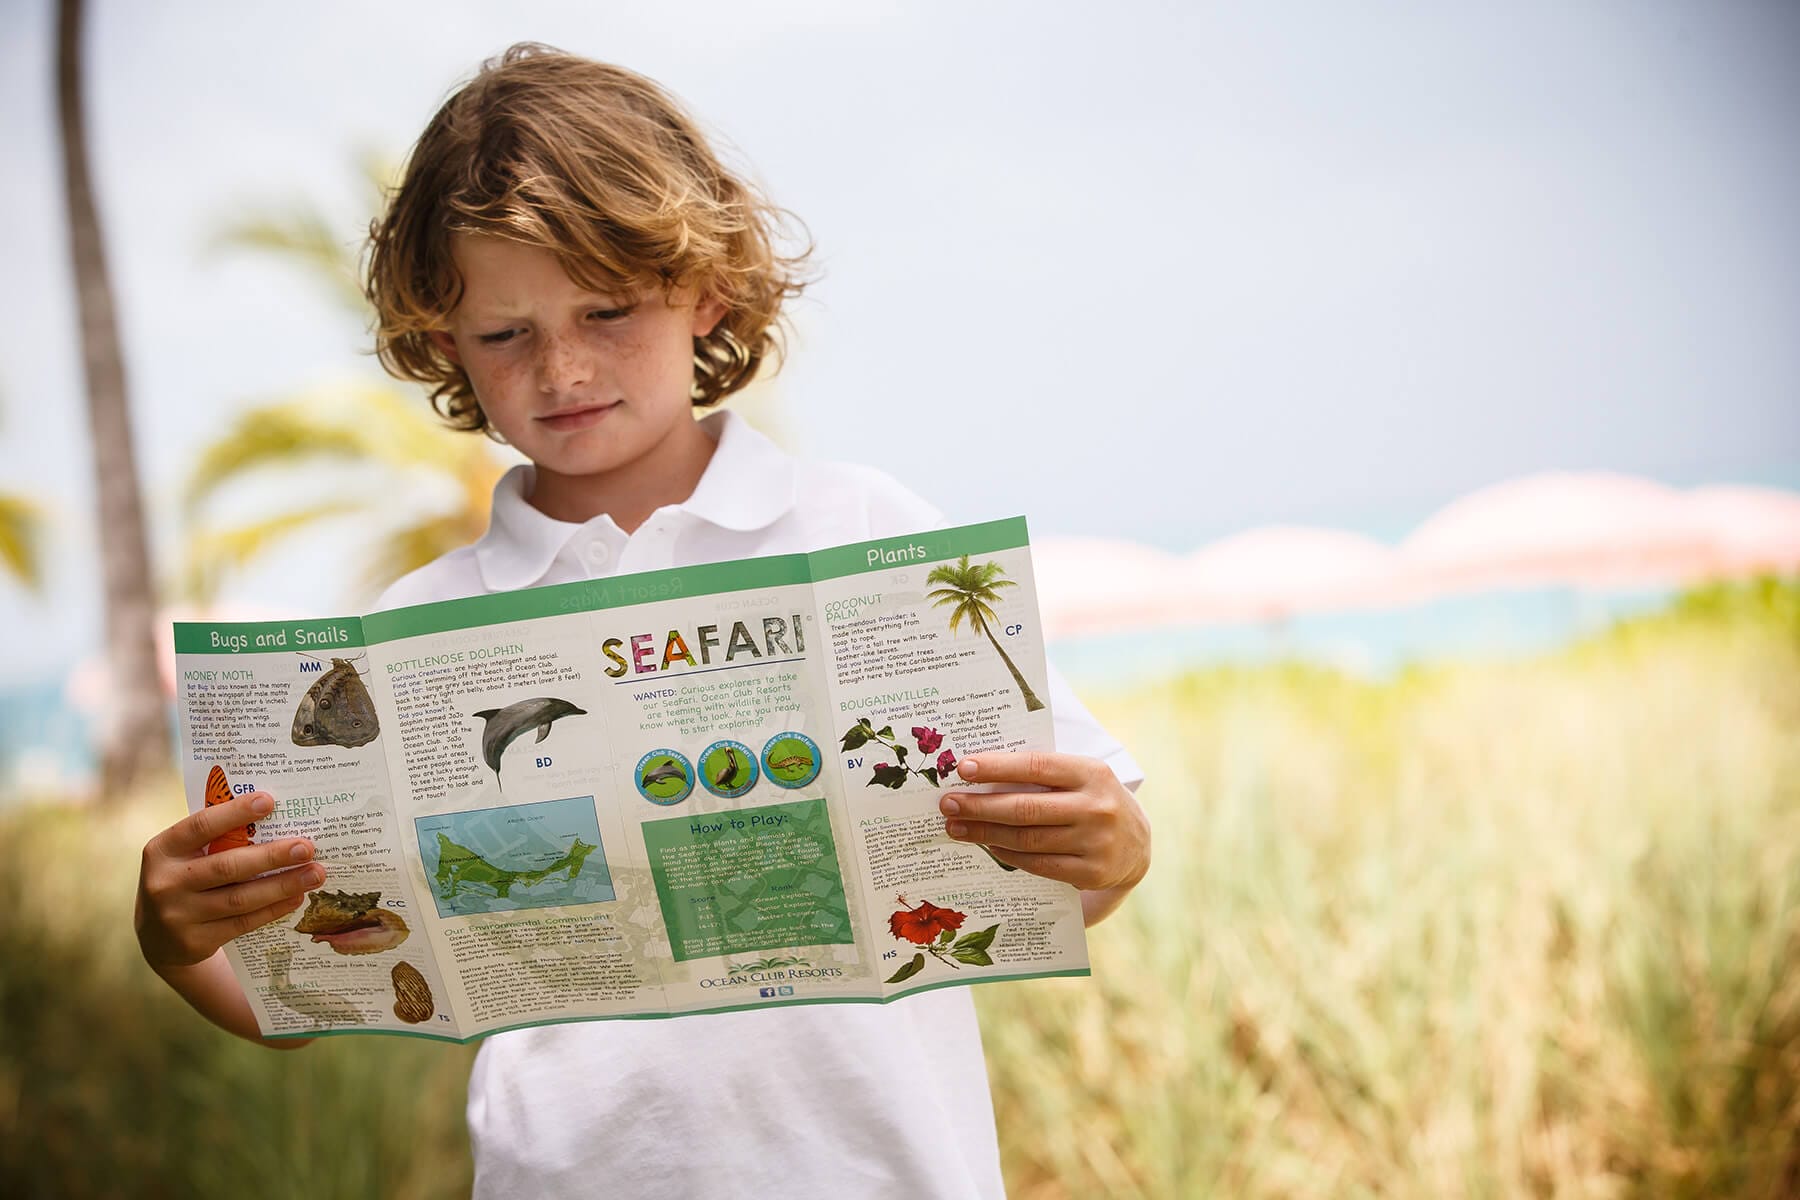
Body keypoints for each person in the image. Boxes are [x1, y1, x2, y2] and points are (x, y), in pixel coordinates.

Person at [136, 43, 1151, 1198]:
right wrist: (178, 946)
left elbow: (1078, 869)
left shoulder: (864, 527)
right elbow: (298, 1007)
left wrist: (1118, 845)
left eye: (608, 310)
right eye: (505, 333)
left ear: (705, 287)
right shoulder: (410, 632)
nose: (562, 367)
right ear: (444, 344)